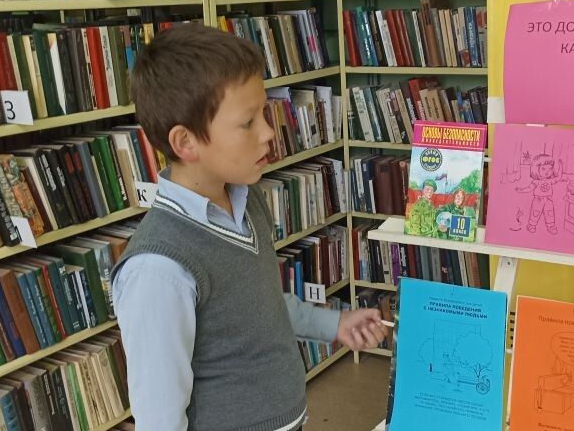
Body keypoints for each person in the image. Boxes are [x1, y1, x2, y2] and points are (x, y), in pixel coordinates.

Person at [111, 24, 389, 431]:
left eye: (264, 114)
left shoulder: (246, 200)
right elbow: (160, 417)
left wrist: (334, 324)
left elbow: (259, 306)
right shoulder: (158, 269)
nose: (268, 133)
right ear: (186, 142)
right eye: (247, 123)